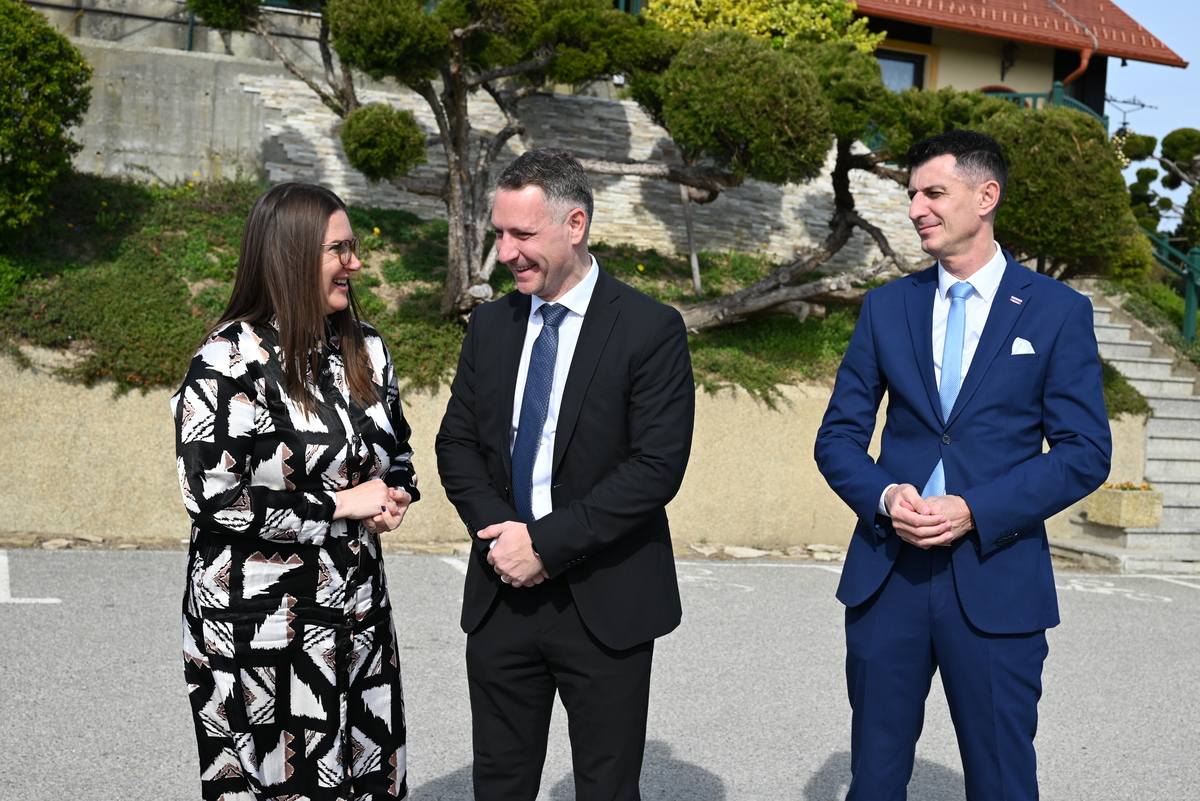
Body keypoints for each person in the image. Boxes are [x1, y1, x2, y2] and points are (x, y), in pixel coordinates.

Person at [814, 130, 1111, 800]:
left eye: (933, 192)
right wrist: (885, 496)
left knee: (1003, 780)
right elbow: (837, 437)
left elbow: (1085, 451)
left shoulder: (1058, 311)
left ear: (986, 196)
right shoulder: (887, 306)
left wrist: (976, 508)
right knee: (874, 780)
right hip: (888, 577)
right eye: (911, 194)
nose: (915, 208)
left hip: (996, 577)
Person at [435, 148, 695, 801]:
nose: (505, 252)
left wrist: (544, 545)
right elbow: (456, 443)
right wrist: (504, 536)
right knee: (499, 783)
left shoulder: (650, 329)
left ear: (575, 224)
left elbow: (656, 467)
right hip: (501, 592)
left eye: (522, 234)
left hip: (605, 598)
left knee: (606, 787)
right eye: (499, 233)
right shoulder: (490, 324)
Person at [171, 182, 419, 801]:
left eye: (353, 247)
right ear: (292, 255)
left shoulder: (365, 348)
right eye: (339, 249)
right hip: (260, 631)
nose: (355, 263)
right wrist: (339, 504)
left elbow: (398, 450)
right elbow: (212, 496)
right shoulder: (228, 360)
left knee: (368, 784)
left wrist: (393, 494)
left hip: (357, 617)